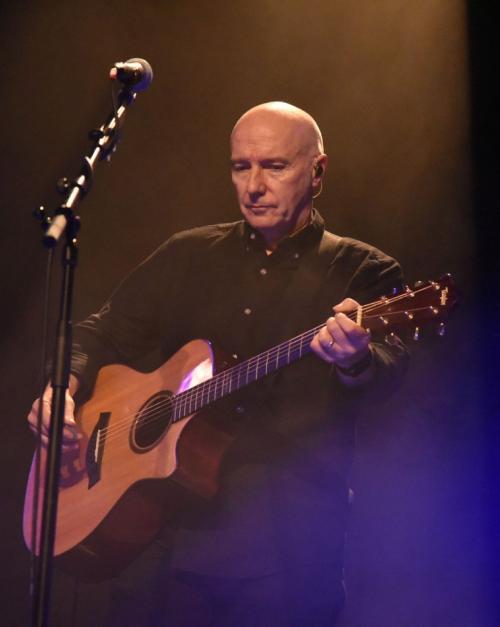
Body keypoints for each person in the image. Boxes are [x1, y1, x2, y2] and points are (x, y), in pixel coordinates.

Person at [28, 101, 408, 626]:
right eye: (240, 167)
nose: (254, 186)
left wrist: (356, 361)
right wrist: (62, 389)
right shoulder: (188, 254)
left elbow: (389, 376)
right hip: (163, 544)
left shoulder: (363, 271)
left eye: (274, 166)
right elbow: (101, 331)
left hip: (285, 552)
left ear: (317, 172)